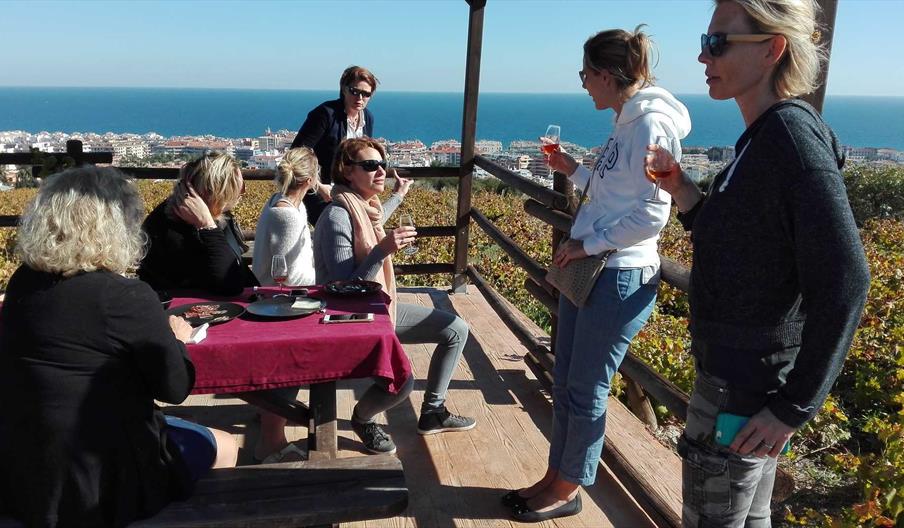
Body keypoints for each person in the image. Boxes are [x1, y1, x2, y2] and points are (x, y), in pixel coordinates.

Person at [651, 1, 870, 525]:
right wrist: (682, 187)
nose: (704, 56)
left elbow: (847, 278)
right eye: (706, 42)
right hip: (746, 390)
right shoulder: (763, 139)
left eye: (718, 43)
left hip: (746, 393)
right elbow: (744, 247)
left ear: (773, 49)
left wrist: (794, 408)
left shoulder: (790, 140)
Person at [503, 27, 691, 522]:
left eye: (586, 74)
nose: (584, 83)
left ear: (607, 75)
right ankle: (557, 475)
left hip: (618, 275)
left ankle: (567, 488)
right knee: (566, 379)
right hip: (598, 270)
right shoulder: (625, 121)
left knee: (586, 388)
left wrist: (585, 242)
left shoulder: (650, 126)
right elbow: (614, 193)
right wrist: (572, 168)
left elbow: (653, 215)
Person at [0, 167, 237, 527]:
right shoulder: (124, 297)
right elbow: (175, 388)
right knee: (226, 444)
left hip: (26, 474)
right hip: (106, 482)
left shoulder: (23, 283)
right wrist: (176, 338)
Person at [312, 137, 476, 455]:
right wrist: (382, 250)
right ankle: (363, 418)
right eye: (370, 165)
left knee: (455, 329)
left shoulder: (363, 208)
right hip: (347, 316)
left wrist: (399, 196)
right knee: (402, 382)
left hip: (378, 306)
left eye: (382, 164)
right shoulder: (337, 217)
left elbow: (377, 221)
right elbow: (345, 289)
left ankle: (433, 412)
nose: (380, 171)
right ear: (347, 172)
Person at [138, 151, 258, 295]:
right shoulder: (169, 229)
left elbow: (239, 269)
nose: (243, 193)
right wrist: (207, 226)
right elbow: (230, 284)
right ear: (216, 193)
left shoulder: (219, 215)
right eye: (240, 189)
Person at [290, 65, 378, 225]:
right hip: (321, 193)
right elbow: (295, 154)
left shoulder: (368, 118)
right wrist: (317, 186)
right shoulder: (325, 114)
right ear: (344, 89)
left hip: (352, 195)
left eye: (366, 94)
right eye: (354, 91)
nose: (360, 98)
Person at [252, 146, 319, 287]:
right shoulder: (287, 216)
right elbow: (290, 278)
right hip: (279, 298)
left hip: (273, 292)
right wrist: (325, 276)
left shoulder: (279, 200)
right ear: (310, 181)